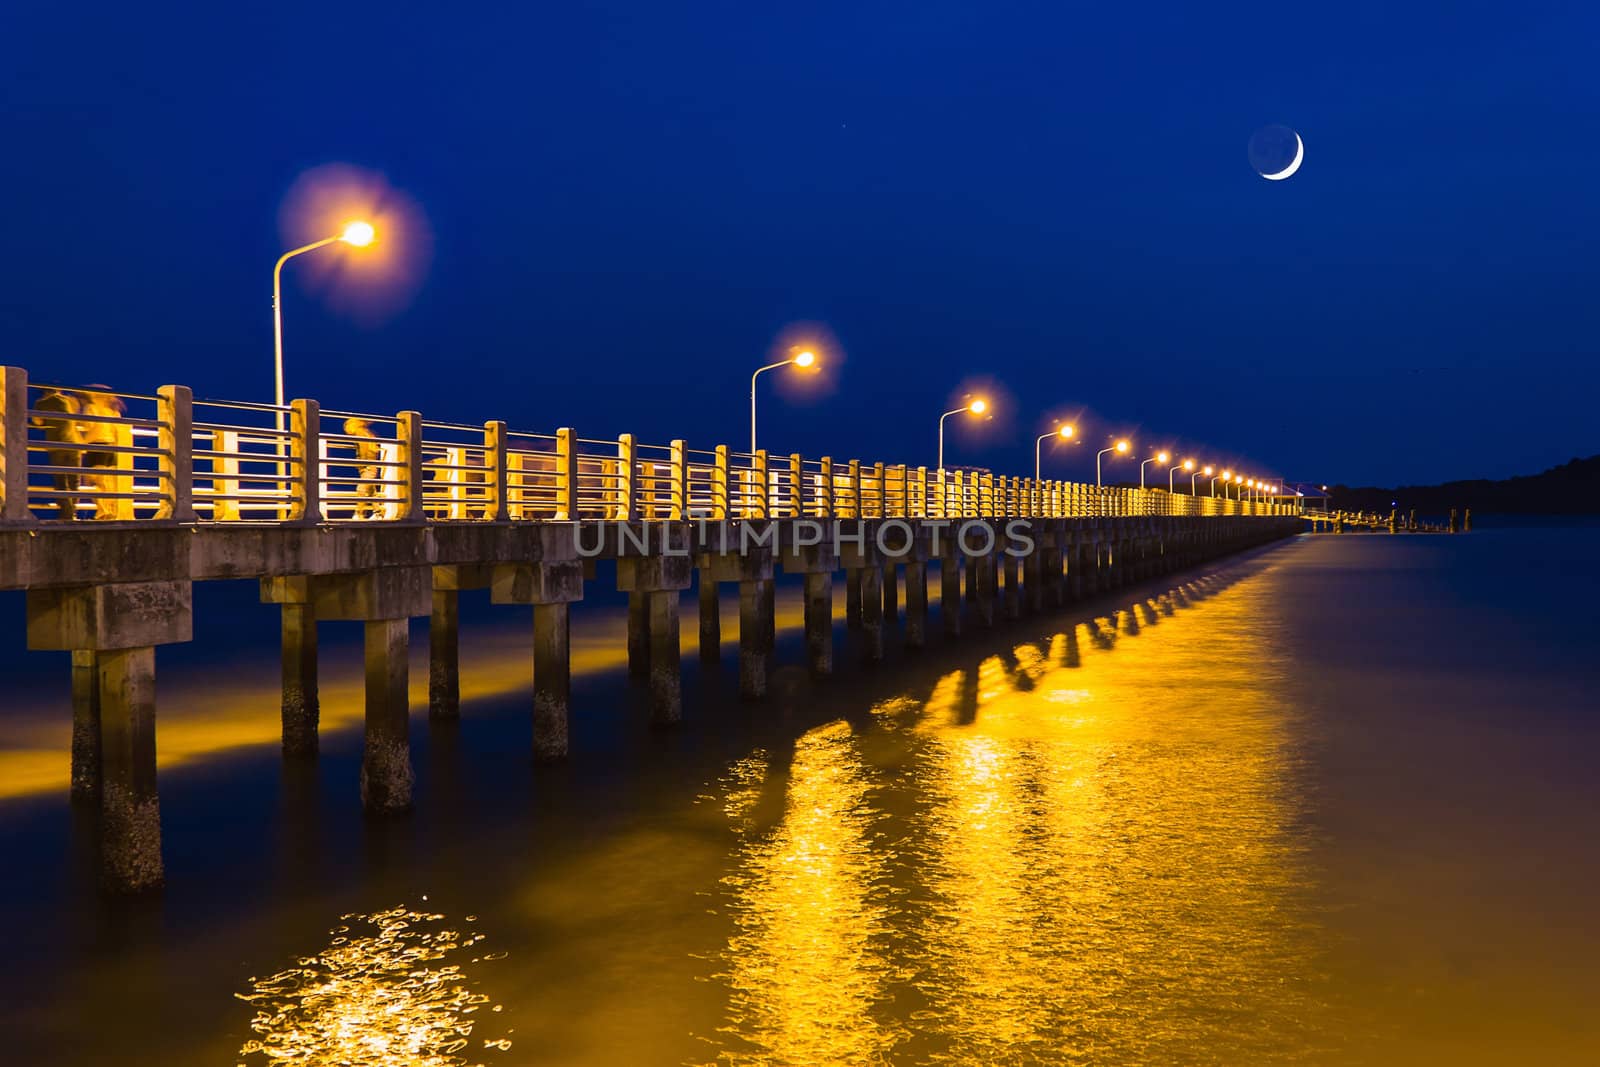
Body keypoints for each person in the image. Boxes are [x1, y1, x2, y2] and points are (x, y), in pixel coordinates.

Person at [29, 388, 85, 519]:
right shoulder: (70, 400)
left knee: (61, 481)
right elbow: (77, 417)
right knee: (74, 481)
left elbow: (37, 421)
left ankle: (66, 513)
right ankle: (73, 511)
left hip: (56, 445)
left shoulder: (41, 403)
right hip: (74, 443)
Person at [78, 387, 127, 519]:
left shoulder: (91, 408)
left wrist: (78, 423)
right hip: (111, 447)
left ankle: (102, 510)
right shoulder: (111, 410)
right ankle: (110, 509)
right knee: (108, 481)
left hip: (96, 446)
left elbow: (88, 425)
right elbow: (118, 429)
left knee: (94, 481)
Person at [345, 417, 383, 519]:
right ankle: (378, 513)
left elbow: (367, 451)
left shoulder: (360, 433)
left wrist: (365, 465)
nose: (346, 429)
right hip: (368, 466)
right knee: (371, 491)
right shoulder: (364, 433)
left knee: (361, 489)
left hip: (368, 466)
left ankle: (359, 513)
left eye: (347, 426)